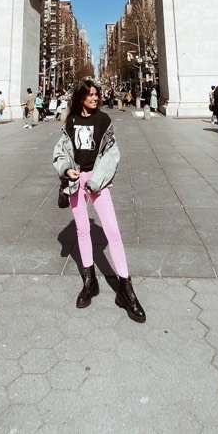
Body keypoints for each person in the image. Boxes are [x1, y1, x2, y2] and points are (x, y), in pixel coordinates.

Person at [53, 78, 146, 323]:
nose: (94, 98)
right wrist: (66, 169)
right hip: (76, 181)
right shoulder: (70, 121)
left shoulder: (104, 120)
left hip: (98, 181)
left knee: (113, 232)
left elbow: (112, 154)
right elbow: (61, 151)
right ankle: (89, 281)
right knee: (82, 230)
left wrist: (95, 180)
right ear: (81, 96)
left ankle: (126, 289)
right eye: (90, 94)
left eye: (96, 94)